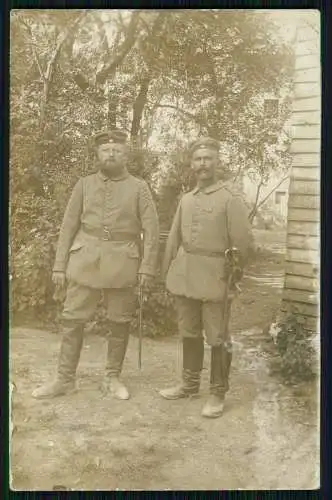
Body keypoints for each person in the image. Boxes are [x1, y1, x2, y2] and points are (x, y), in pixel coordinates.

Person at [32, 129, 159, 401]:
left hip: (123, 261)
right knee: (72, 319)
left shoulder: (139, 188)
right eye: (105, 150)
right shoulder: (84, 185)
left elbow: (151, 230)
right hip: (84, 260)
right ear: (98, 154)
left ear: (126, 155)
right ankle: (65, 379)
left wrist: (147, 268)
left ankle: (112, 378)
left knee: (119, 321)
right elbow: (68, 227)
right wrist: (59, 265)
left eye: (116, 150)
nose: (110, 154)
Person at [159, 137, 253, 418]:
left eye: (208, 158)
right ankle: (188, 384)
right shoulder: (187, 199)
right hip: (185, 275)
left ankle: (217, 392)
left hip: (216, 278)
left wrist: (233, 277)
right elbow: (173, 238)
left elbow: (244, 243)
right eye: (198, 159)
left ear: (217, 162)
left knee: (218, 336)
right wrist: (167, 273)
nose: (203, 164)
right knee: (188, 331)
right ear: (191, 164)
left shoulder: (230, 198)